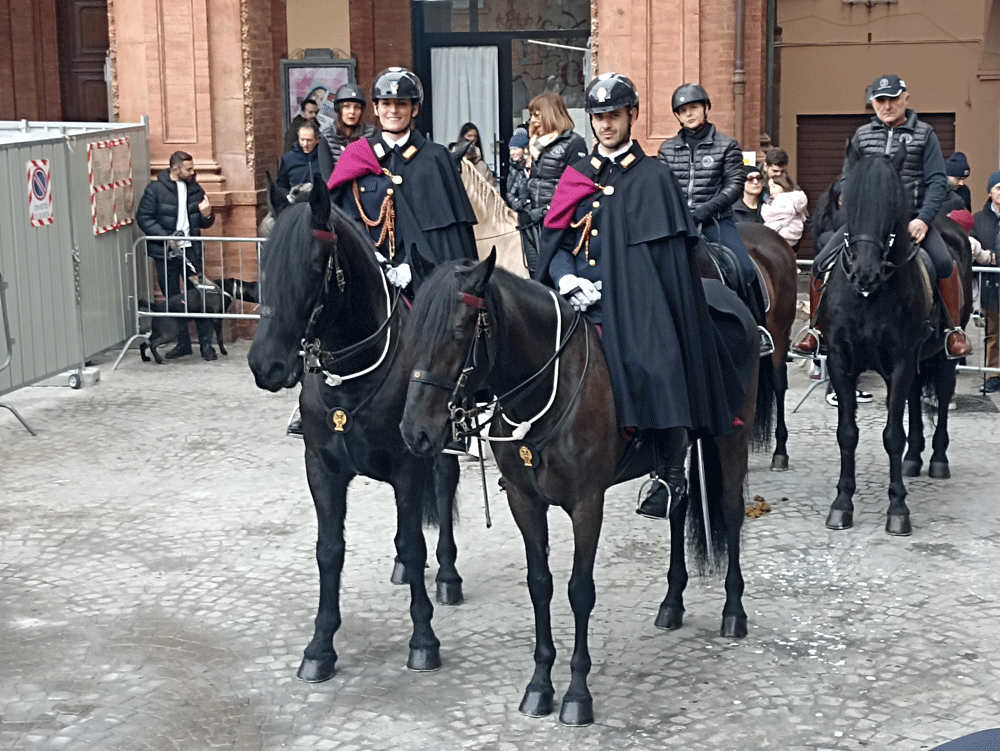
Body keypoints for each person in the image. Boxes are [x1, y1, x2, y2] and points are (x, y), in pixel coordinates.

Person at [535, 72, 755, 521]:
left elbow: (668, 260)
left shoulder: (654, 176)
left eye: (614, 116)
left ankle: (670, 472)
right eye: (598, 118)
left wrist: (618, 290)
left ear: (631, 115)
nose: (605, 126)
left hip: (636, 301)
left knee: (659, 358)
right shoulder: (577, 175)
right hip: (577, 300)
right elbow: (554, 242)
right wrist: (567, 279)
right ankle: (528, 456)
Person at [793, 74, 972, 359]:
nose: (886, 106)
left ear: (906, 99)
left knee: (943, 261)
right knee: (821, 262)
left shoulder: (925, 134)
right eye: (880, 100)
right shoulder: (862, 136)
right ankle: (817, 330)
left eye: (892, 99)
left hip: (912, 220)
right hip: (867, 225)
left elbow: (938, 182)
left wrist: (924, 219)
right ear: (873, 103)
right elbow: (847, 179)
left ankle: (953, 331)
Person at [656, 83, 772, 353]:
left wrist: (705, 210)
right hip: (678, 224)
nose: (689, 114)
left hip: (716, 221)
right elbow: (661, 187)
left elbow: (734, 184)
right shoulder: (667, 149)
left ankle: (757, 327)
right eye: (683, 110)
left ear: (705, 108)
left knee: (743, 267)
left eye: (693, 107)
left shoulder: (727, 145)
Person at [136, 151, 218, 360]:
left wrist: (208, 215)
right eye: (188, 168)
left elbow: (203, 222)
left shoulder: (195, 189)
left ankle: (206, 345)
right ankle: (183, 344)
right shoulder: (155, 190)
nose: (193, 172)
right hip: (165, 254)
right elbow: (144, 218)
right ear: (175, 169)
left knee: (201, 297)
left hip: (191, 251)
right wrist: (166, 237)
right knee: (173, 299)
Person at [521, 92, 588, 274]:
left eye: (537, 115)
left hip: (560, 229)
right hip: (534, 225)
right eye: (531, 115)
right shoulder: (536, 145)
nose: (532, 121)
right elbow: (532, 181)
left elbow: (577, 190)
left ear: (551, 114)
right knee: (535, 273)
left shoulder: (574, 143)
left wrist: (546, 211)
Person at [969, 173, 1000, 393]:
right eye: (998, 187)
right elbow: (970, 246)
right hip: (990, 284)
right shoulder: (978, 219)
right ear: (990, 192)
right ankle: (994, 374)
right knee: (993, 333)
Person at [319, 83, 377, 175]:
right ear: (338, 109)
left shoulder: (371, 133)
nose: (352, 111)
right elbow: (327, 177)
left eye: (357, 107)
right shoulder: (327, 137)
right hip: (337, 187)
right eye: (347, 106)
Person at [276, 121, 329, 193]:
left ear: (317, 140)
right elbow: (281, 185)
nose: (305, 144)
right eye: (302, 139)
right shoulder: (288, 158)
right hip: (297, 202)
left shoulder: (325, 157)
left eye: (309, 140)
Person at [761, 172, 808, 249]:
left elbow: (771, 214)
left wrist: (765, 207)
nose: (771, 190)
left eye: (774, 186)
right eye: (770, 187)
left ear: (783, 185)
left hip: (782, 235)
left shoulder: (782, 199)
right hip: (793, 236)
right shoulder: (794, 199)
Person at [450, 122, 496, 187]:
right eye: (469, 136)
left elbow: (491, 187)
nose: (473, 139)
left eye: (475, 136)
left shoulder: (482, 166)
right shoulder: (454, 163)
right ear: (462, 137)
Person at [505, 127, 531, 215]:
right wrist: (514, 203)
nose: (512, 152)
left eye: (515, 148)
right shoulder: (513, 169)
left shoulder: (530, 167)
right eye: (510, 149)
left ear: (524, 149)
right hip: (517, 211)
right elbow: (510, 193)